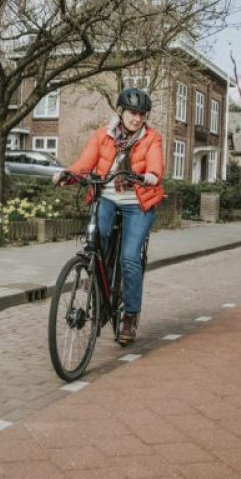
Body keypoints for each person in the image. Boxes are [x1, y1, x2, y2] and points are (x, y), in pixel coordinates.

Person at [52, 87, 164, 345]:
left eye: (141, 114)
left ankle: (129, 317)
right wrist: (67, 174)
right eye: (132, 113)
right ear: (121, 112)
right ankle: (101, 289)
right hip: (106, 198)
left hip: (138, 201)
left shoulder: (151, 137)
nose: (136, 118)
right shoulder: (103, 135)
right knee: (96, 242)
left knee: (129, 258)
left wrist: (152, 175)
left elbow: (156, 162)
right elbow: (85, 163)